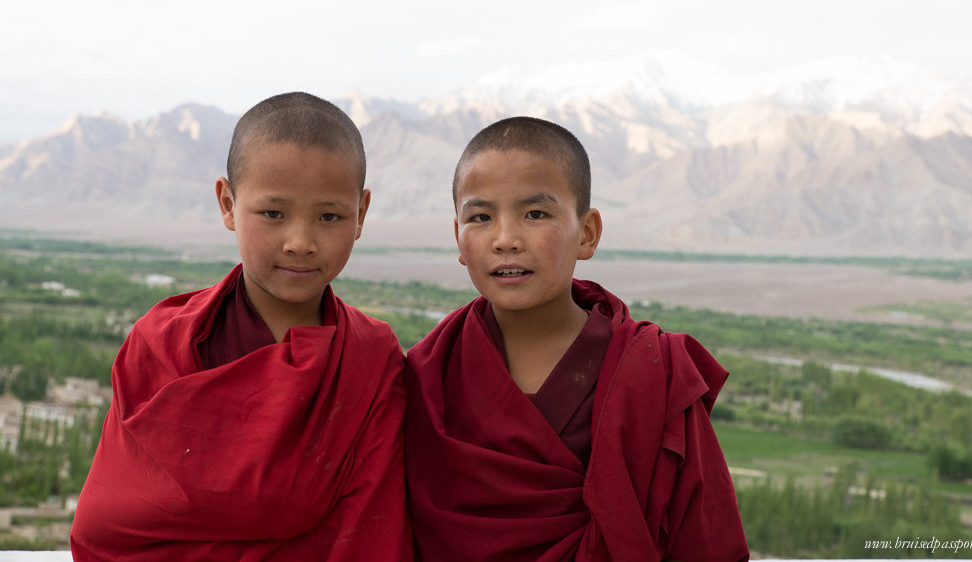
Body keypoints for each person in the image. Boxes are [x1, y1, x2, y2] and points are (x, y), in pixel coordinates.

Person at [71, 92, 413, 561]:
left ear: (362, 214)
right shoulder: (163, 343)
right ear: (228, 204)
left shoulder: (371, 358)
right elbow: (111, 525)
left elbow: (371, 532)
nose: (300, 242)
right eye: (273, 214)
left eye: (329, 216)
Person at [404, 116, 748, 562]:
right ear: (457, 237)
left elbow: (706, 539)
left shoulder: (651, 371)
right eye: (481, 217)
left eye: (535, 214)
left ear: (587, 233)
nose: (505, 239)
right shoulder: (427, 373)